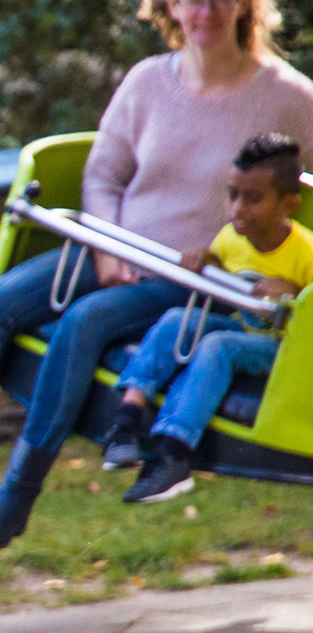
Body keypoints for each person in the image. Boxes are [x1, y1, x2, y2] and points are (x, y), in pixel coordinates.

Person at [0, 0, 313, 547]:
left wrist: (287, 275)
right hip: (115, 244)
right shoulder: (147, 83)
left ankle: (16, 494)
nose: (205, 14)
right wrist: (108, 249)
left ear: (244, 3)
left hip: (190, 274)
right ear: (172, 7)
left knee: (83, 324)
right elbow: (102, 175)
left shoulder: (288, 98)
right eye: (193, 1)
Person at [106, 133, 312, 501]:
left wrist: (295, 295)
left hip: (285, 351)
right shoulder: (231, 239)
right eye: (232, 194)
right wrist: (207, 261)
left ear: (288, 205)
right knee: (174, 320)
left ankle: (174, 454)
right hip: (245, 327)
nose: (237, 210)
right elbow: (220, 266)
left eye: (254, 199)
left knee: (218, 345)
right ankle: (127, 419)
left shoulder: (305, 252)